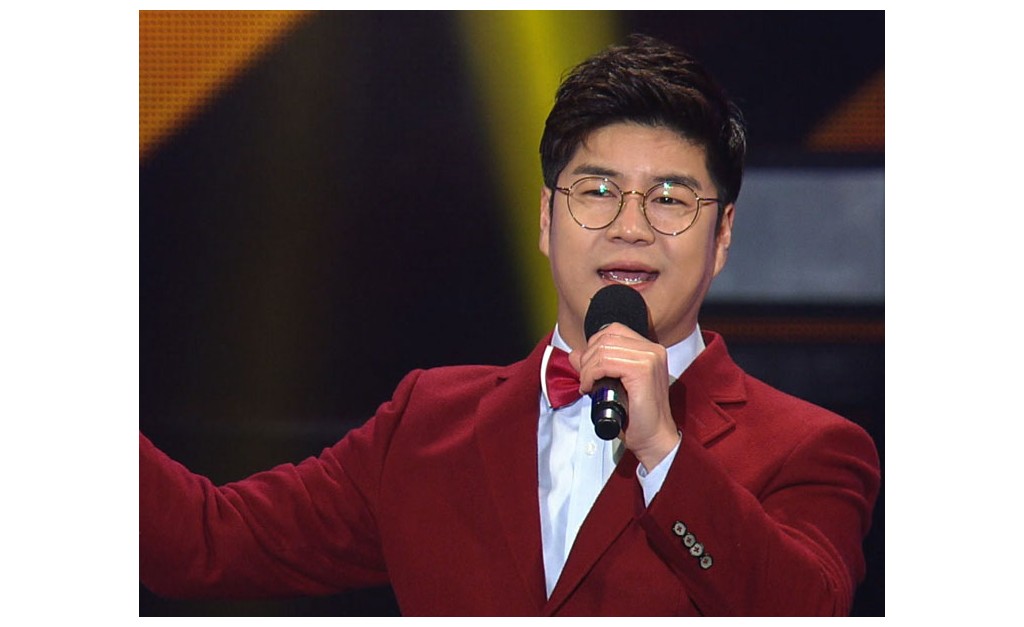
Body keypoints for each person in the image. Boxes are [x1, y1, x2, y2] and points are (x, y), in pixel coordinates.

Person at [140, 33, 880, 616]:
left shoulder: (812, 449)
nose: (630, 226)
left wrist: (663, 451)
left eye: (669, 198)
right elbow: (207, 542)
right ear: (547, 219)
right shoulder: (428, 424)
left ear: (721, 237)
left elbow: (805, 609)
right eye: (597, 190)